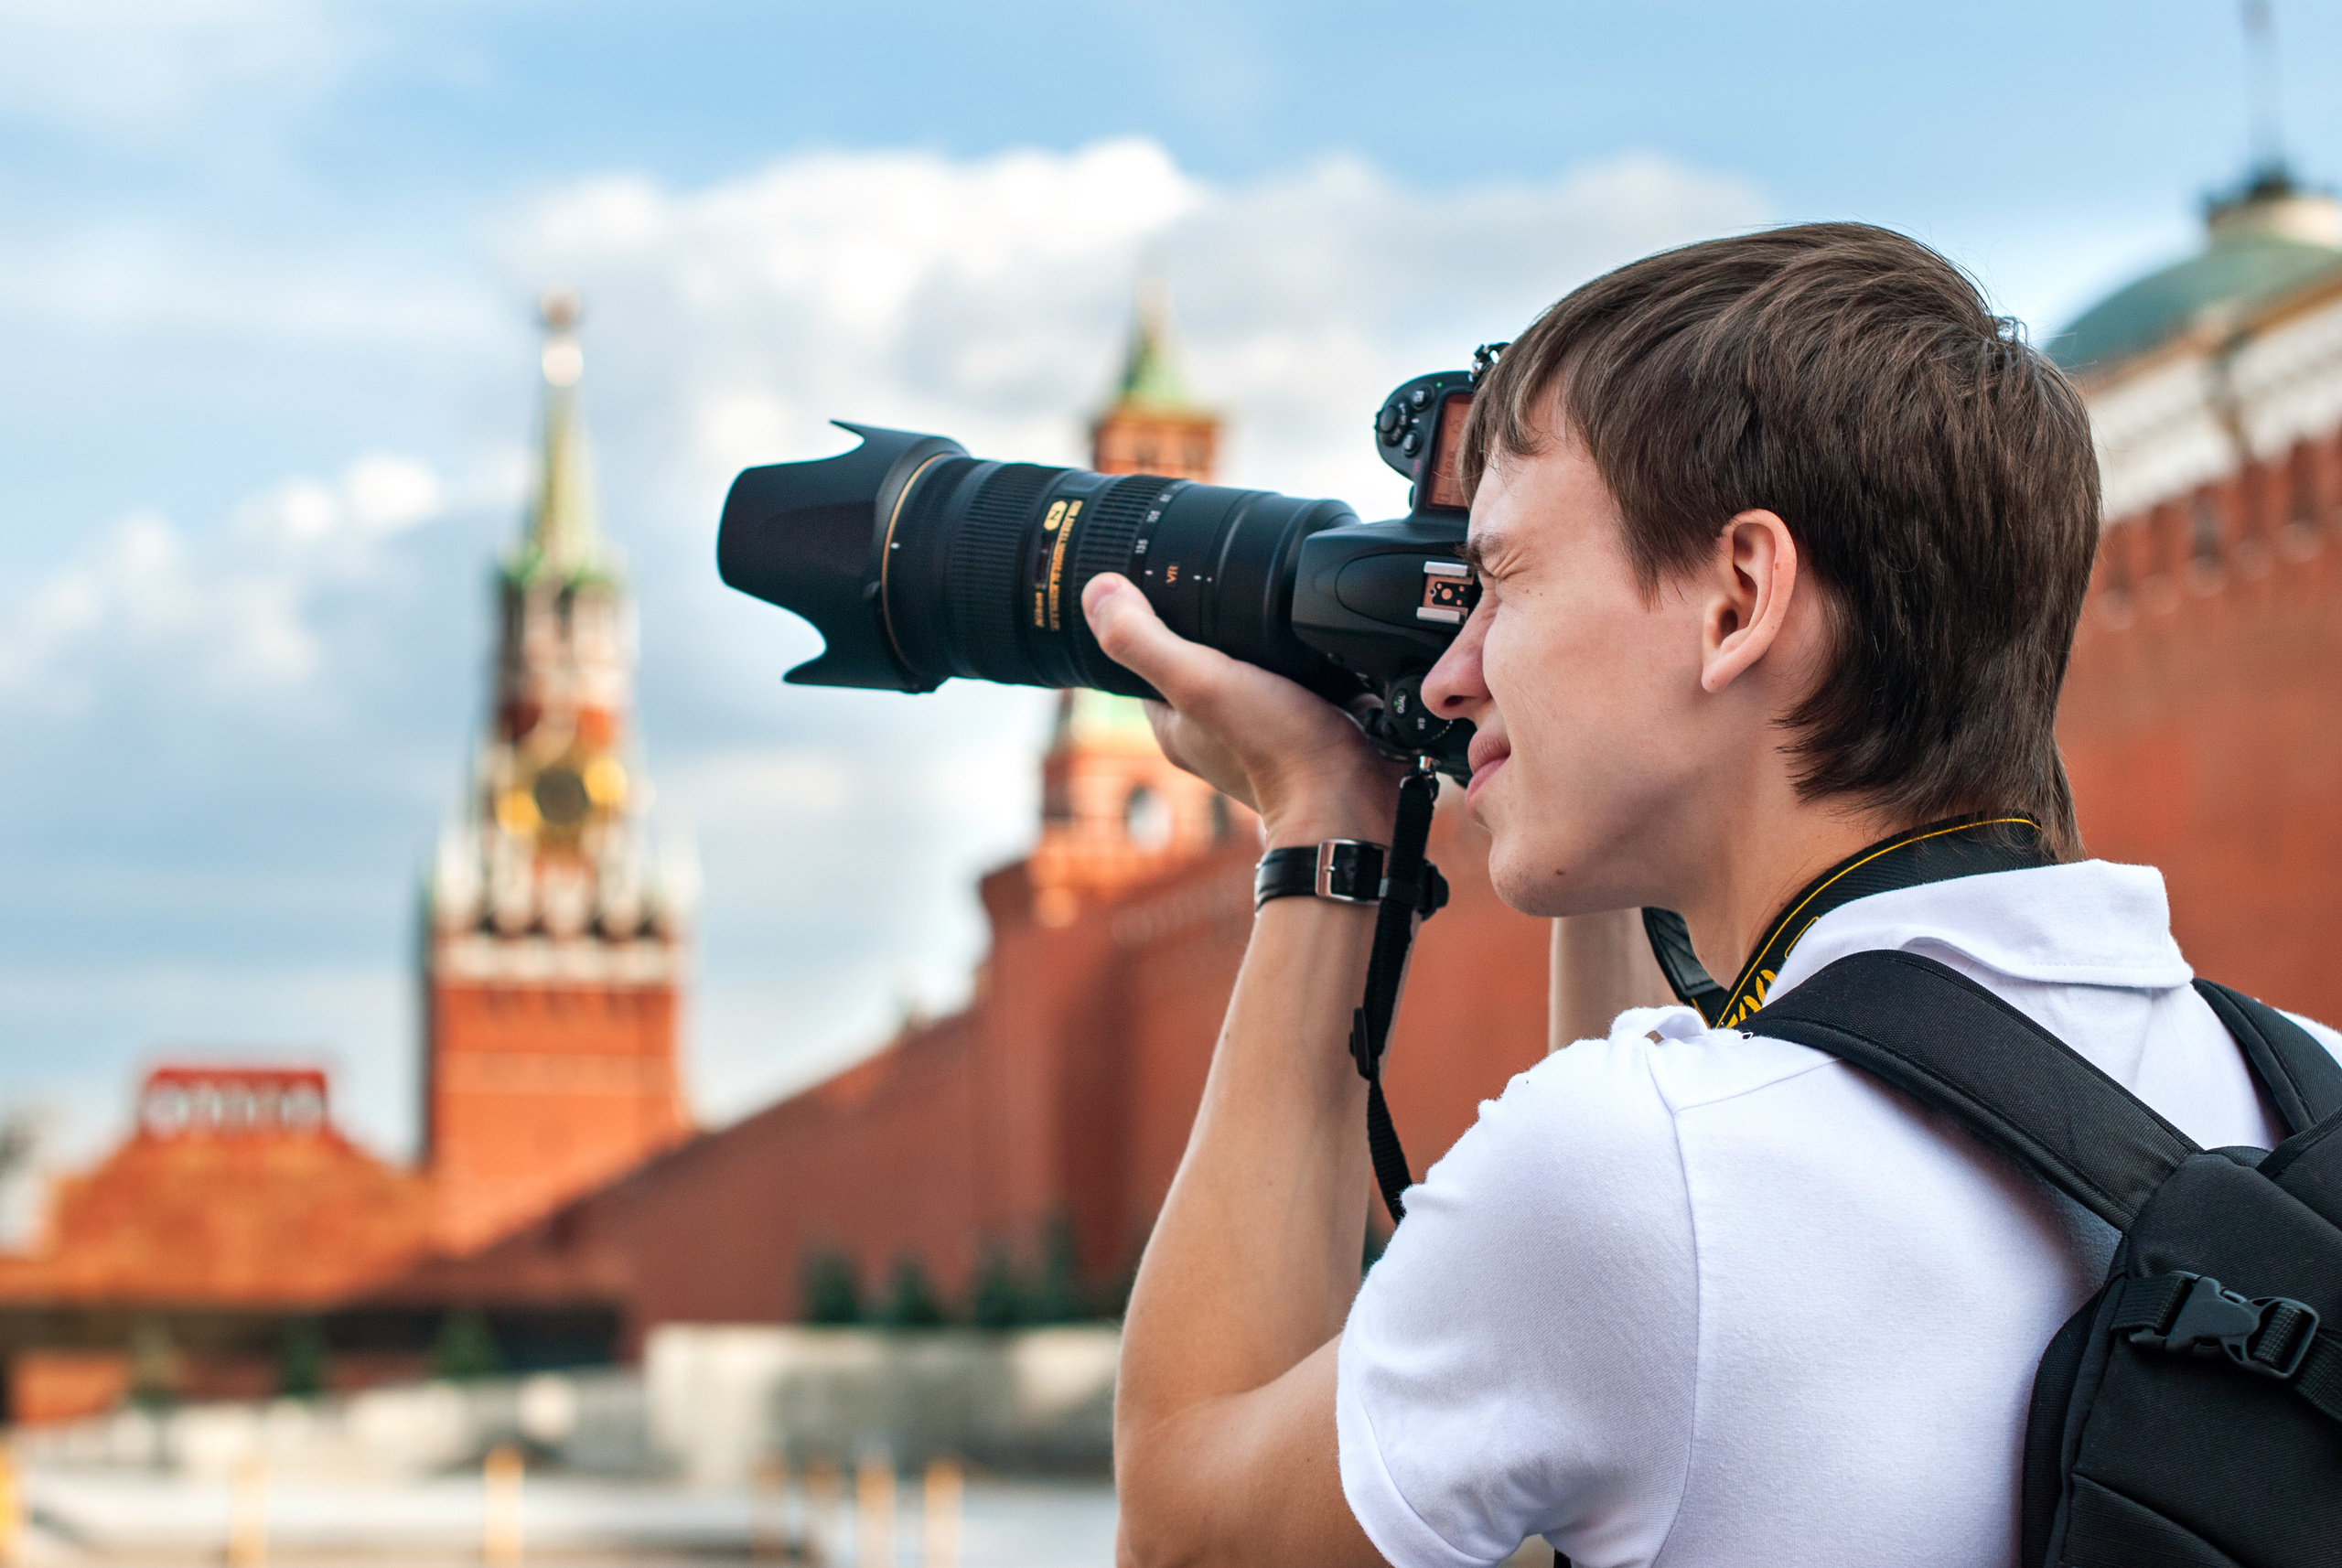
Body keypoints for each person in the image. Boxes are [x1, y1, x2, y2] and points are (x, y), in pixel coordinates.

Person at [1079, 223, 2342, 1568]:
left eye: (1499, 582)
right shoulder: (2309, 1086)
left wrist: (1321, 822)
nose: (1449, 674)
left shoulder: (1641, 1180)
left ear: (1741, 599)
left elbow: (1189, 1534)